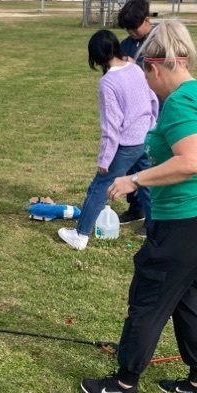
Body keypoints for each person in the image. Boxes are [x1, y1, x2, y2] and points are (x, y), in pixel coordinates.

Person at [81, 19, 197, 393]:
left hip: (191, 222)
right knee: (192, 293)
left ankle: (124, 384)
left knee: (150, 296)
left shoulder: (181, 102)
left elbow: (191, 161)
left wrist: (135, 180)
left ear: (155, 67)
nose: (146, 82)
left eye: (145, 73)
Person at [58, 29, 158, 251]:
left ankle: (80, 235)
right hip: (146, 138)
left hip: (126, 144)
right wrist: (152, 126)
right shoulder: (136, 68)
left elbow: (111, 127)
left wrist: (105, 160)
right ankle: (156, 230)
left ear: (96, 57)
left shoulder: (108, 83)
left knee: (100, 186)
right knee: (147, 182)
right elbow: (152, 100)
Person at [117, 0, 158, 223]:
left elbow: (165, 72)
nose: (131, 32)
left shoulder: (160, 41)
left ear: (147, 20)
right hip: (132, 114)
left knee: (149, 164)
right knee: (131, 161)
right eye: (127, 29)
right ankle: (136, 208)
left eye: (135, 27)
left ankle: (154, 218)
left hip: (155, 111)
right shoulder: (125, 45)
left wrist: (137, 69)